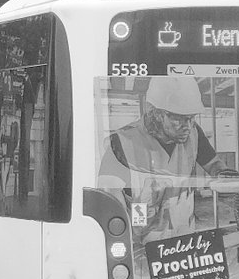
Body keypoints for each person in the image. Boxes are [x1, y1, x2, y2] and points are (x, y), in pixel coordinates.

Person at [98, 77, 229, 242]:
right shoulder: (122, 142)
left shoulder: (194, 134)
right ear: (157, 114)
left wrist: (224, 175)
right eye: (179, 119)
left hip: (185, 243)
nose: (188, 126)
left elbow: (214, 164)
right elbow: (107, 202)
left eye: (191, 118)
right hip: (143, 248)